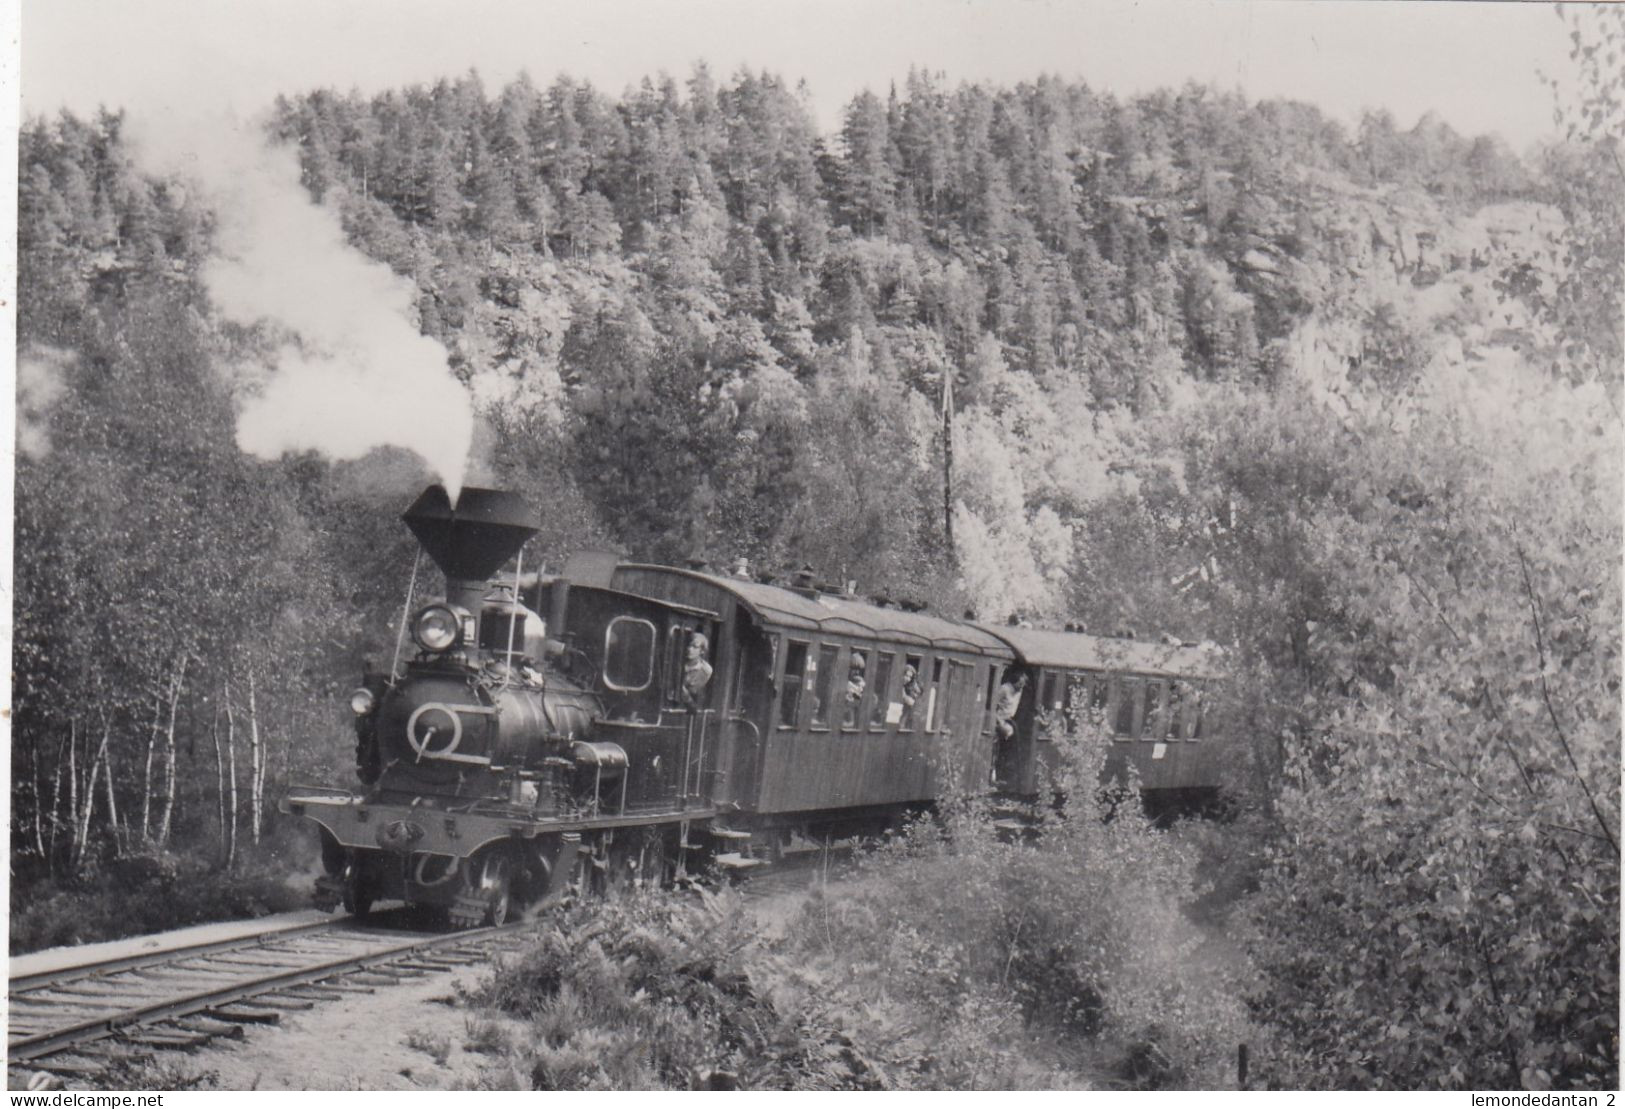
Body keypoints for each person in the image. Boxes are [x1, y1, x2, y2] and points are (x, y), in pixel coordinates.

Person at [680, 633, 713, 708]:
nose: (689, 649)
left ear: (702, 651)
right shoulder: (678, 661)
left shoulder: (705, 670)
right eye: (689, 645)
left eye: (694, 647)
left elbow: (692, 692)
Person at [995, 671, 1028, 741]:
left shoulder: (1019, 691)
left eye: (1023, 685)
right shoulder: (1004, 689)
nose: (1021, 687)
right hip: (999, 720)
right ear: (1014, 682)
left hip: (1009, 719)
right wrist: (999, 721)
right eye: (1020, 684)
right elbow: (993, 703)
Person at [843, 652, 867, 726]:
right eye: (853, 669)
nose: (857, 672)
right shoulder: (845, 683)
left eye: (859, 670)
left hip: (851, 722)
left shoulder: (859, 683)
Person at [899, 663, 923, 727]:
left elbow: (918, 691)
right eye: (906, 676)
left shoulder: (908, 686)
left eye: (910, 677)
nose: (908, 679)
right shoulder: (900, 687)